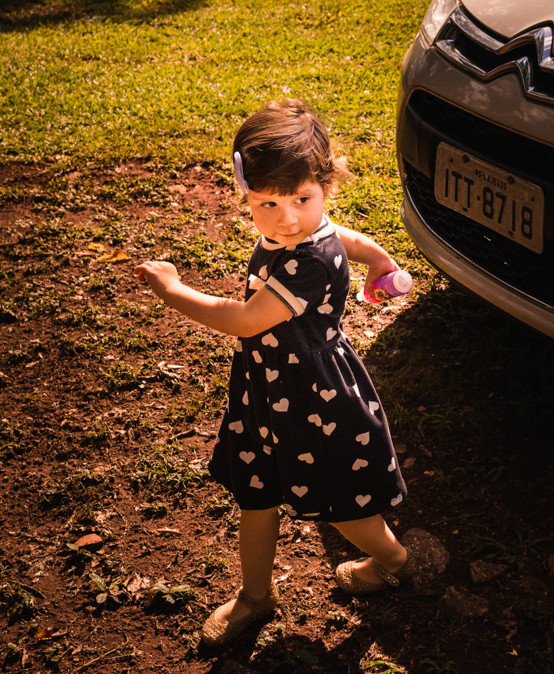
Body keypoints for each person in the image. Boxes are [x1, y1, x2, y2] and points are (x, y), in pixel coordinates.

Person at [136, 99, 412, 647]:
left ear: (327, 185)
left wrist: (173, 290)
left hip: (316, 397)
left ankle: (392, 558)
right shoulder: (304, 233)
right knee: (255, 495)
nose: (286, 218)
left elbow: (242, 319)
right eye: (267, 203)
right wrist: (382, 263)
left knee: (340, 503)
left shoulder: (305, 263)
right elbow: (349, 239)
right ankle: (256, 595)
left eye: (302, 200)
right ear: (246, 193)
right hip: (266, 391)